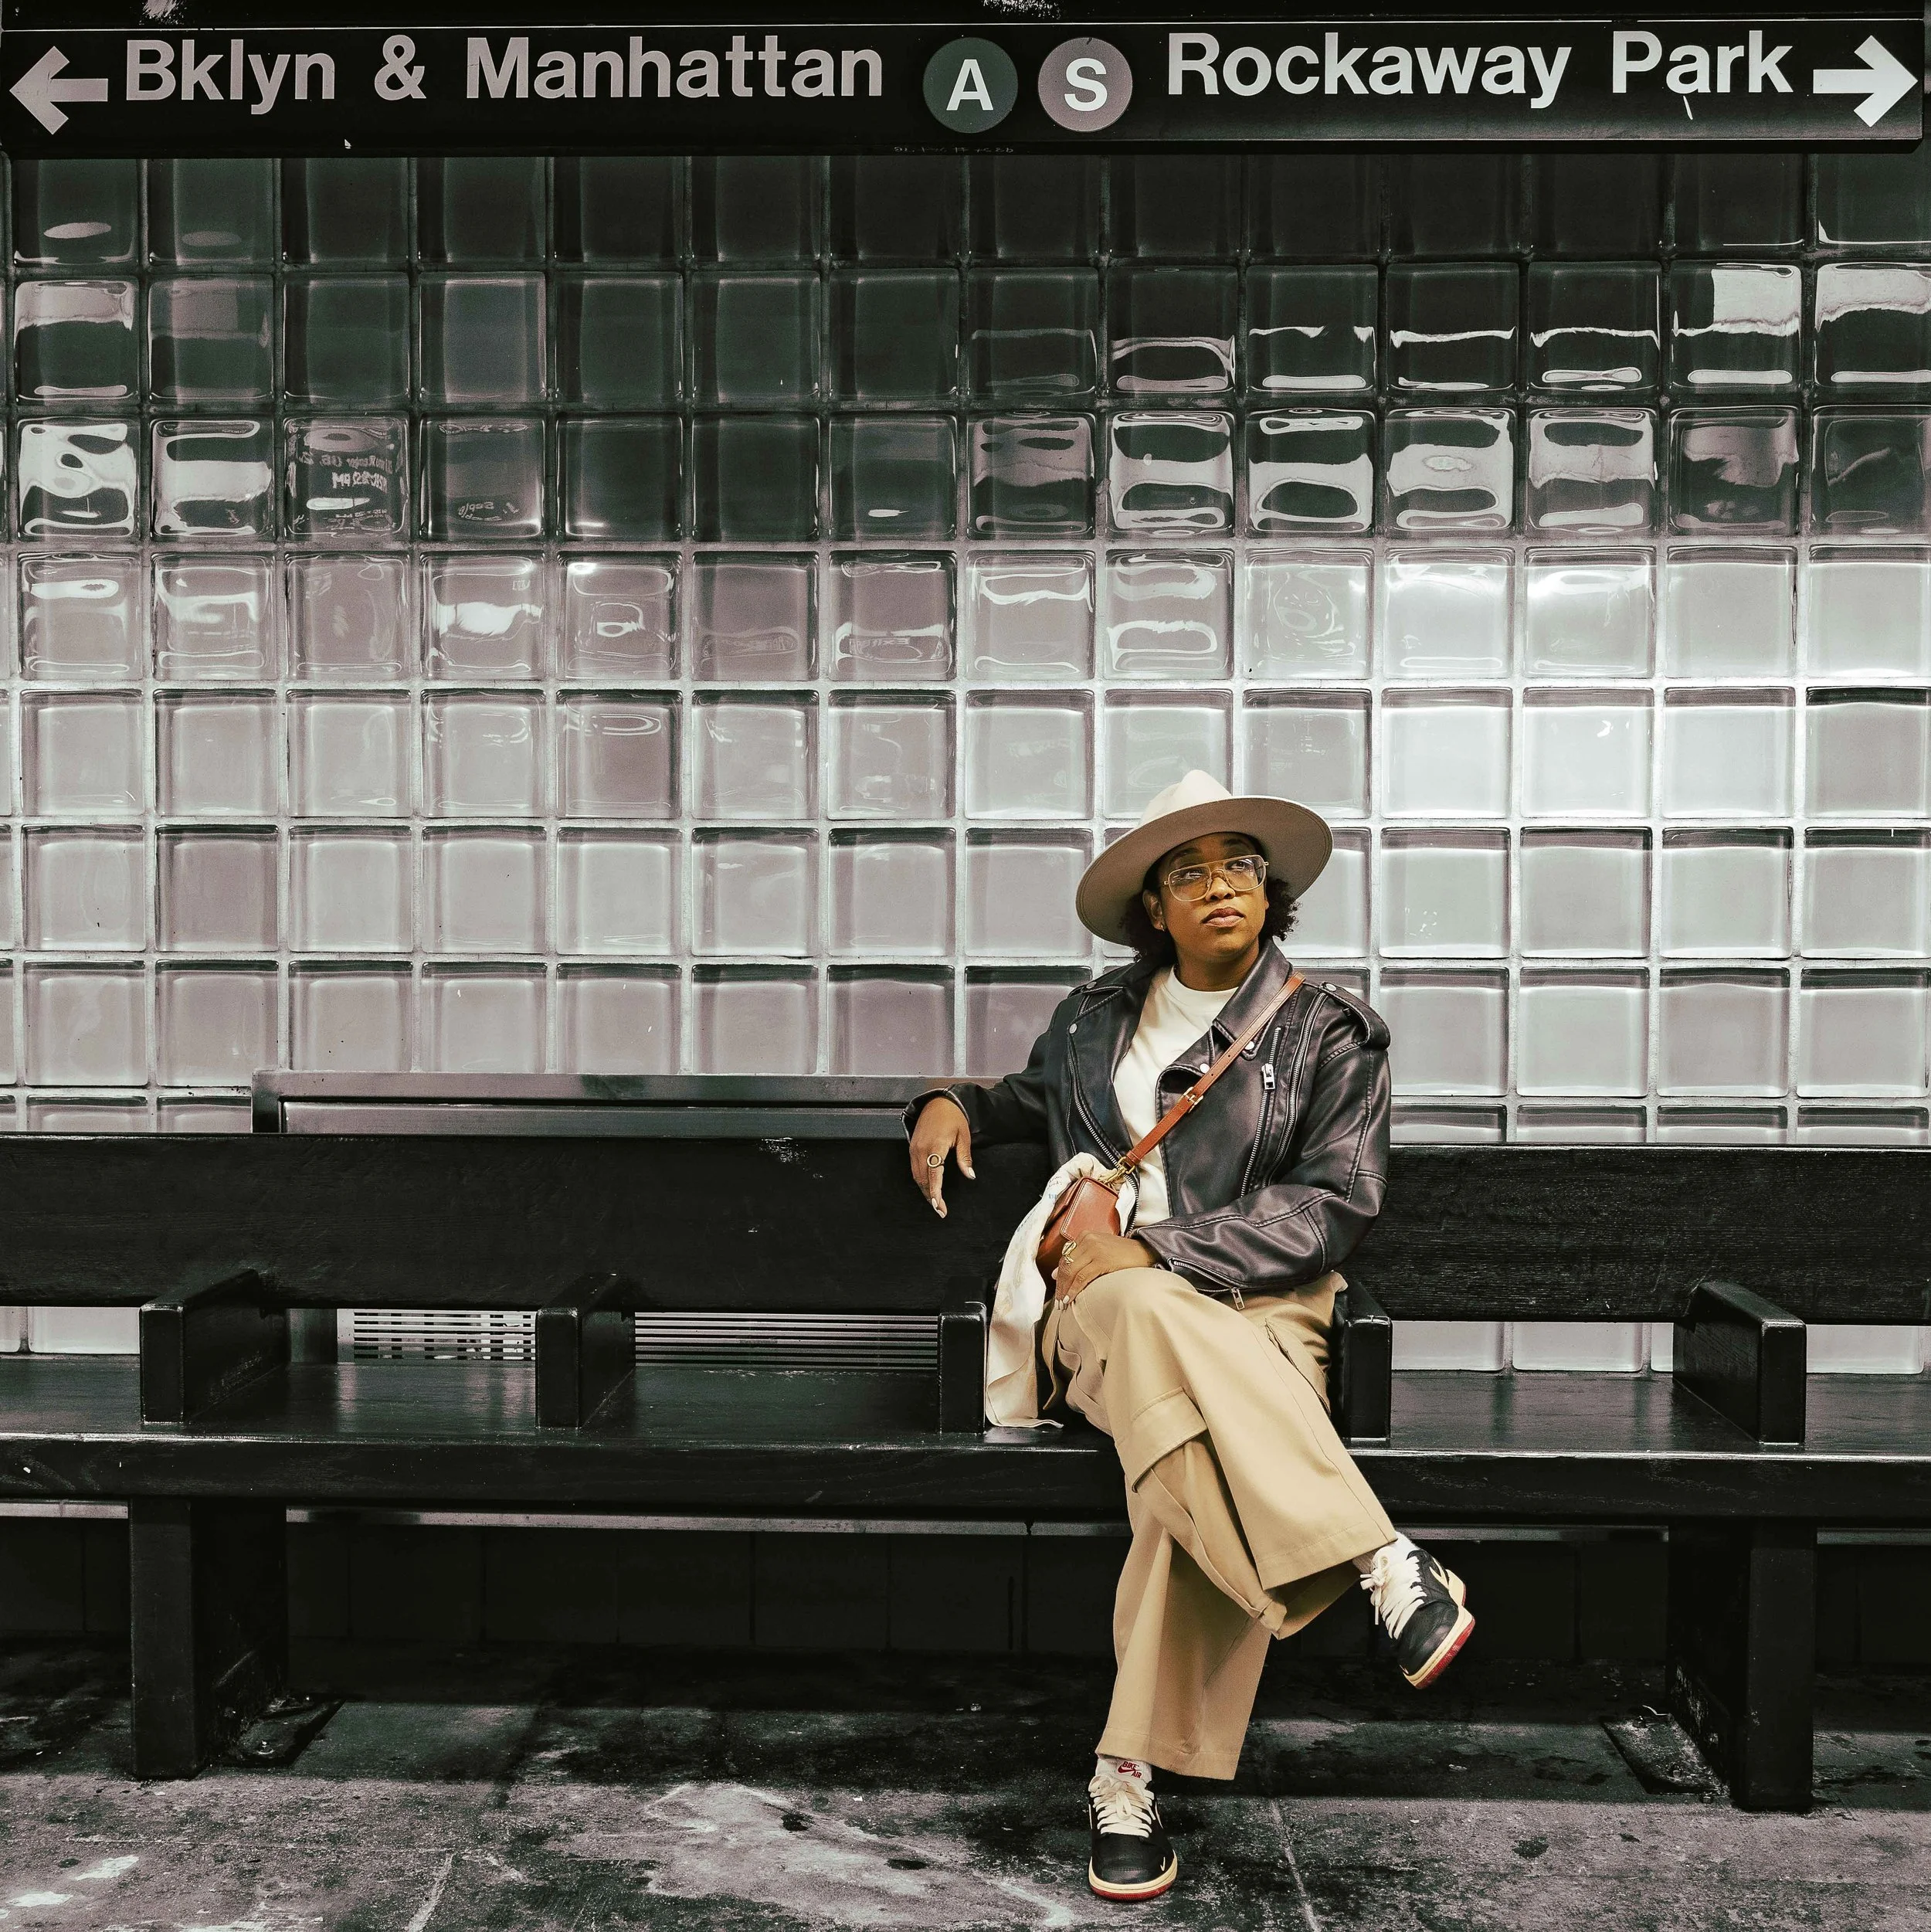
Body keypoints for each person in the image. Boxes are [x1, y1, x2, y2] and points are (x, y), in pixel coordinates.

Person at [904, 770, 1473, 1904]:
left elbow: (1333, 1204)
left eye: (1240, 866)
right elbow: (1028, 1101)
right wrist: (951, 1100)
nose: (1221, 886)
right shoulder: (1088, 1022)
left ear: (1269, 894)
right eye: (1190, 872)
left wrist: (1161, 1252)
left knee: (1184, 1456)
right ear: (1152, 909)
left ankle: (1127, 1774)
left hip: (1259, 1314)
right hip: (1098, 1316)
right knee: (1142, 1326)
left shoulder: (1330, 1031)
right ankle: (1371, 1556)